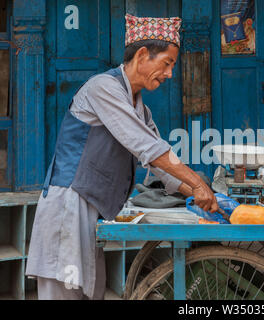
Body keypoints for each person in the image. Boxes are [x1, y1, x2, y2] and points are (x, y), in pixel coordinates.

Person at [25, 14, 218, 300]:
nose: (169, 74)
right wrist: (198, 185)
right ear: (142, 55)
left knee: (91, 291)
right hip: (70, 205)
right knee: (65, 291)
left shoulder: (140, 108)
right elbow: (150, 150)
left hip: (92, 209)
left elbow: (164, 168)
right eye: (166, 63)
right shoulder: (102, 88)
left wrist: (211, 200)